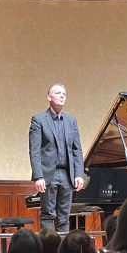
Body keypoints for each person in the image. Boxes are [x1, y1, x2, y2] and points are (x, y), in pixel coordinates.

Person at [29, 83, 85, 234]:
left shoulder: (71, 121)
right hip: (49, 174)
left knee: (64, 218)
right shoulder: (39, 119)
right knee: (48, 215)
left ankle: (63, 248)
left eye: (64, 94)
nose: (62, 96)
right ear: (49, 97)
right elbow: (35, 150)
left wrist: (79, 174)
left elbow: (77, 149)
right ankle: (48, 248)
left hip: (67, 175)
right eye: (58, 93)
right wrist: (38, 176)